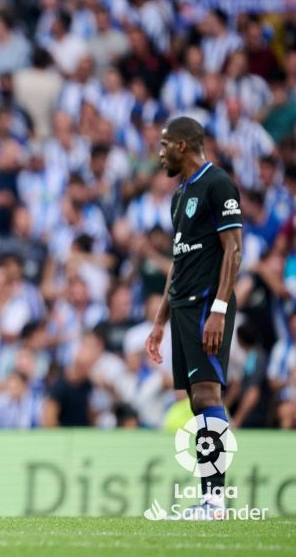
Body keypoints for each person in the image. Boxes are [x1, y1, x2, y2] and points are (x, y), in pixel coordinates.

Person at [146, 116, 242, 520]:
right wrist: (160, 319)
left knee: (207, 396)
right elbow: (178, 259)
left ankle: (215, 501)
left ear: (183, 146)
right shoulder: (179, 194)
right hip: (183, 305)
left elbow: (234, 249)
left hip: (206, 303)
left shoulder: (217, 183)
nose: (160, 151)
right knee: (196, 401)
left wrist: (219, 308)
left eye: (165, 144)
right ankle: (209, 497)